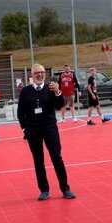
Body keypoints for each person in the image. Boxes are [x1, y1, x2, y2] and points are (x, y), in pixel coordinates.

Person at [17, 63, 76, 201]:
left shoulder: (51, 88)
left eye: (42, 72)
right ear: (32, 75)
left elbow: (60, 105)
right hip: (33, 130)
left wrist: (58, 92)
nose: (40, 75)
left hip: (50, 128)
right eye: (37, 72)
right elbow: (21, 113)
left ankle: (65, 188)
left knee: (57, 157)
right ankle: (44, 190)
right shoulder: (25, 91)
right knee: (38, 160)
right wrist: (25, 128)